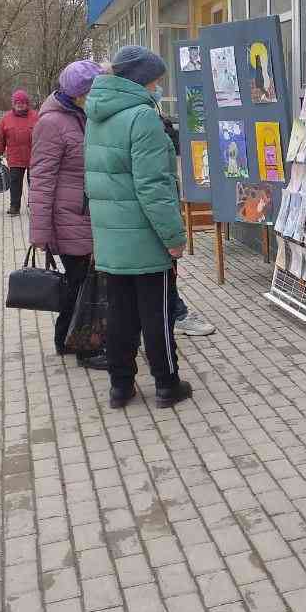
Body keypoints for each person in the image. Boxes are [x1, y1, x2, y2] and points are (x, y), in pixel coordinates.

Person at [85, 46, 191, 409]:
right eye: (157, 82)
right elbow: (154, 187)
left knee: (120, 314)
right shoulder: (142, 118)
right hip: (145, 238)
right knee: (157, 314)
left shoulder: (97, 114)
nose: (158, 88)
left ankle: (121, 386)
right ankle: (166, 384)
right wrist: (174, 238)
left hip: (111, 237)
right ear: (141, 80)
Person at [29, 60, 107, 370]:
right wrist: (40, 233)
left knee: (81, 283)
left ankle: (65, 340)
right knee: (82, 285)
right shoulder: (52, 123)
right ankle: (85, 348)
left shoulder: (81, 117)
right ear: (78, 94)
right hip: (68, 218)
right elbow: (41, 179)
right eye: (93, 91)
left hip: (85, 215)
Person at [156, 109, 217, 338]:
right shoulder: (140, 123)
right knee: (159, 274)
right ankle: (175, 316)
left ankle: (174, 313)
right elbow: (154, 189)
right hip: (142, 225)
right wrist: (174, 237)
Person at [0, 90, 39, 215]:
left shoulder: (36, 117)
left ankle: (34, 205)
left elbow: (44, 135)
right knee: (15, 183)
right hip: (15, 158)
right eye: (17, 103)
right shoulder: (6, 119)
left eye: (23, 103)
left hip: (34, 157)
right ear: (13, 104)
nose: (20, 105)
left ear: (27, 103)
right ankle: (15, 206)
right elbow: (0, 137)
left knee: (35, 183)